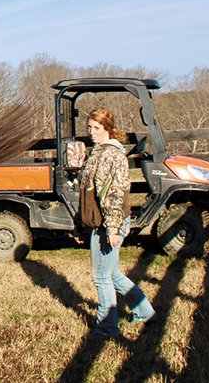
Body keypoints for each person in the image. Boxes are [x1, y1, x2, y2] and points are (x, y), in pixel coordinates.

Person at [79, 107, 156, 338]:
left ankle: (106, 328)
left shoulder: (111, 155)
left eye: (97, 128)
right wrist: (81, 226)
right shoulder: (98, 152)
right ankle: (144, 311)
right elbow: (88, 193)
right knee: (111, 274)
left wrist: (112, 229)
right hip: (101, 223)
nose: (92, 132)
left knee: (102, 276)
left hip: (108, 224)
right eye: (90, 127)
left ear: (108, 129)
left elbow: (114, 194)